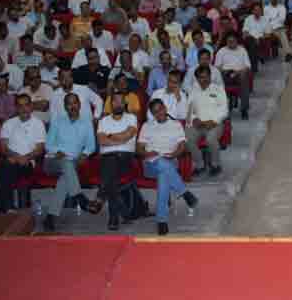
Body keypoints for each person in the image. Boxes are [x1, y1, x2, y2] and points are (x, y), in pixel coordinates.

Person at [138, 98, 199, 236]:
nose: (159, 113)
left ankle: (162, 221)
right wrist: (147, 153)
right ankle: (184, 192)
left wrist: (174, 154)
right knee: (161, 164)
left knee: (163, 178)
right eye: (155, 112)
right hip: (151, 163)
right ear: (152, 114)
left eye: (160, 109)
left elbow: (182, 146)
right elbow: (139, 149)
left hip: (170, 161)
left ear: (165, 108)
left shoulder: (176, 125)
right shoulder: (147, 126)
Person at [42, 93, 96, 232]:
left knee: (65, 178)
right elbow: (48, 145)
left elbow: (91, 146)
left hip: (72, 163)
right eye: (69, 104)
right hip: (53, 160)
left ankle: (50, 217)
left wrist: (85, 154)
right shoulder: (57, 121)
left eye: (75, 103)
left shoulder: (86, 122)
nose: (72, 106)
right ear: (65, 107)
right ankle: (80, 197)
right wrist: (57, 151)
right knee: (66, 164)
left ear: (80, 105)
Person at [93, 91, 138, 230]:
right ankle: (118, 215)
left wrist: (110, 136)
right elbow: (101, 140)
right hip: (107, 159)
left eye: (121, 101)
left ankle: (100, 198)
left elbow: (128, 135)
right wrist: (119, 140)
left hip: (126, 158)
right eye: (115, 101)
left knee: (109, 168)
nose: (118, 104)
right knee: (111, 173)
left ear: (125, 103)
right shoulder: (103, 121)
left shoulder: (131, 118)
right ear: (110, 103)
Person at [0, 94, 46, 213]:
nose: (24, 109)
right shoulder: (8, 123)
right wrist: (16, 156)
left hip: (29, 161)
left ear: (31, 106)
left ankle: (5, 207)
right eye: (20, 106)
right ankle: (8, 206)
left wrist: (25, 157)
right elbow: (3, 148)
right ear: (16, 108)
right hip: (11, 159)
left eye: (26, 105)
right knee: (7, 165)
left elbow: (40, 149)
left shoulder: (38, 123)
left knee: (7, 168)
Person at [186, 65, 228, 177]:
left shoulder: (218, 89)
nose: (204, 80)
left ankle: (215, 165)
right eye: (201, 77)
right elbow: (189, 109)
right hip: (198, 124)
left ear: (210, 76)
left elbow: (224, 109)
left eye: (206, 77)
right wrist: (194, 118)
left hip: (214, 124)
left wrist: (214, 121)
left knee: (210, 139)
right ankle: (200, 165)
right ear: (197, 78)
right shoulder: (193, 90)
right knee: (187, 139)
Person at [214, 32, 251, 119]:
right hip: (225, 73)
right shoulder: (221, 51)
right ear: (226, 41)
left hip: (239, 73)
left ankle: (244, 109)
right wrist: (226, 71)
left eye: (233, 41)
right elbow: (217, 67)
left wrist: (238, 72)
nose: (231, 43)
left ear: (237, 41)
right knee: (218, 77)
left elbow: (248, 66)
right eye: (229, 41)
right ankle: (222, 108)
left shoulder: (242, 50)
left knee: (244, 77)